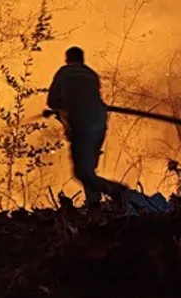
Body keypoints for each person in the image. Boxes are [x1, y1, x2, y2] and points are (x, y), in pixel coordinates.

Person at [44, 46, 129, 206]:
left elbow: (52, 101)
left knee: (82, 172)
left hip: (81, 127)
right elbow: (93, 99)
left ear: (68, 59)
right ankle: (94, 205)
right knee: (89, 169)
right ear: (82, 60)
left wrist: (61, 108)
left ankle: (116, 191)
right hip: (99, 123)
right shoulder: (91, 74)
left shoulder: (64, 73)